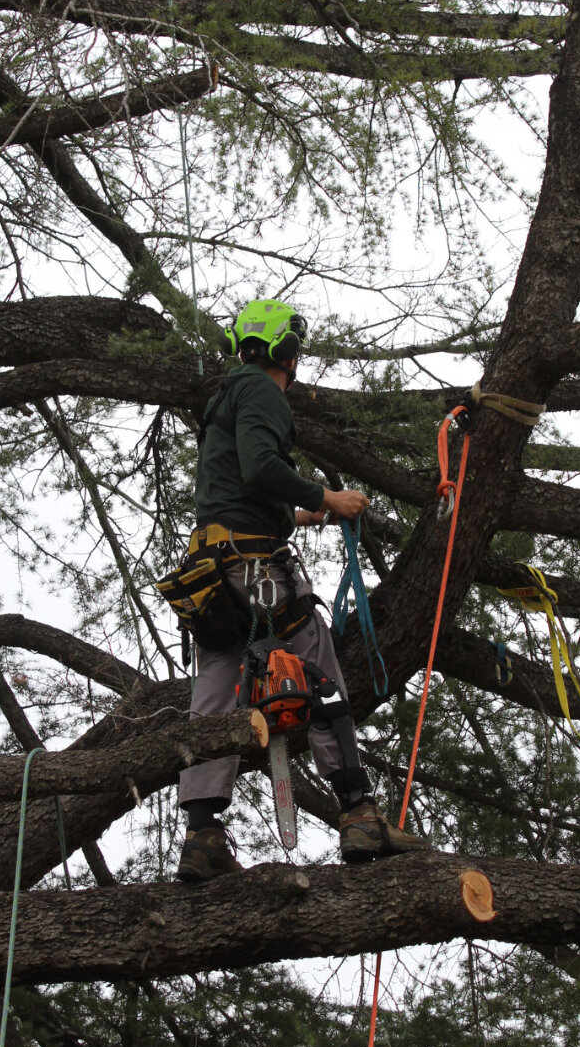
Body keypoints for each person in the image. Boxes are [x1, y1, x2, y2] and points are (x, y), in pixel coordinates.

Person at [176, 298, 426, 881]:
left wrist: (298, 517)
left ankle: (202, 835)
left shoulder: (225, 398)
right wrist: (327, 498)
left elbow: (242, 483)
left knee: (215, 689)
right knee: (319, 669)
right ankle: (359, 813)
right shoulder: (262, 391)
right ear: (287, 350)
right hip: (253, 568)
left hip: (212, 570)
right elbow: (262, 465)